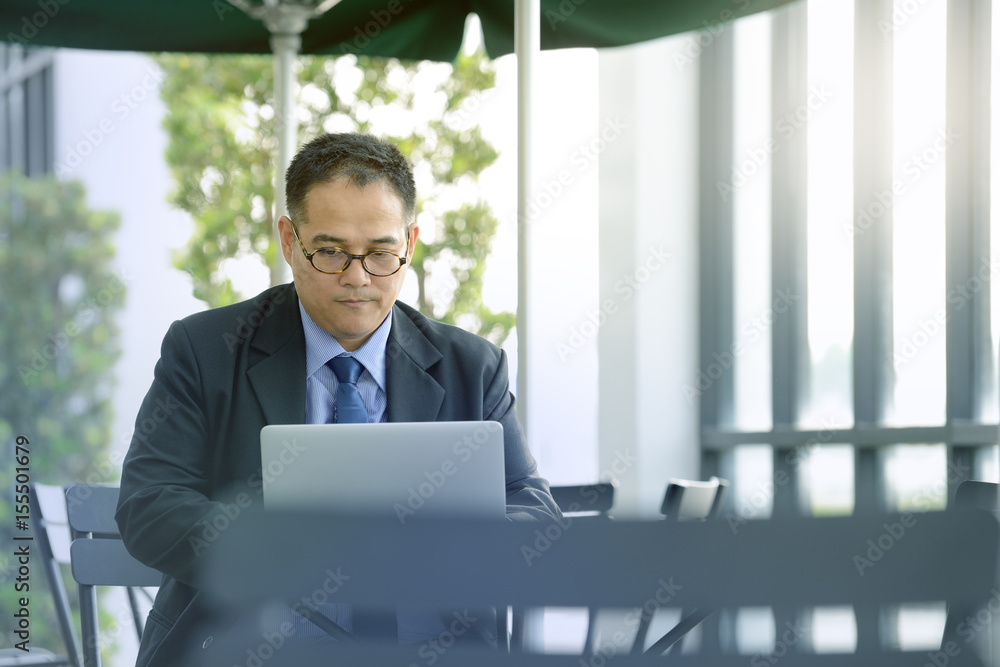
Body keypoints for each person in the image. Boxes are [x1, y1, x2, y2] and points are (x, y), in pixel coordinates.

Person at [115, 132, 561, 666]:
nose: (357, 279)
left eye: (381, 254)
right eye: (329, 252)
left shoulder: (473, 366)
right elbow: (149, 506)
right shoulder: (205, 350)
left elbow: (536, 516)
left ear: (410, 244)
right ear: (288, 239)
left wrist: (432, 548)